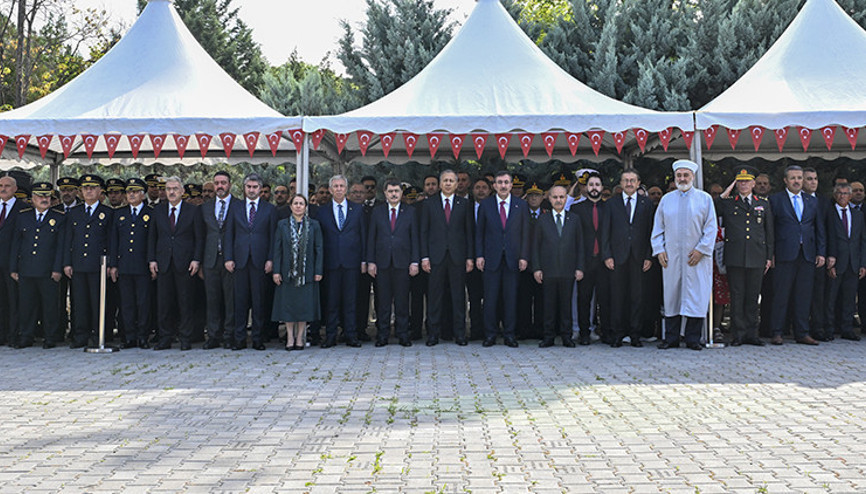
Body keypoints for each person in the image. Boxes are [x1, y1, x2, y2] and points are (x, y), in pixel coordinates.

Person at [652, 160, 717, 351]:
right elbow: (658, 228)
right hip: (672, 258)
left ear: (693, 177)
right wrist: (659, 250)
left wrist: (702, 249)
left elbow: (711, 228)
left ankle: (693, 339)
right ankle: (671, 338)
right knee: (672, 296)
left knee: (696, 296)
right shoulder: (666, 200)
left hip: (696, 258)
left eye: (686, 175)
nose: (682, 178)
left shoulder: (704, 199)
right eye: (679, 175)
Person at [716, 167, 773, 346]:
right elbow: (715, 206)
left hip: (757, 256)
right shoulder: (729, 202)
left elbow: (769, 232)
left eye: (747, 181)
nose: (744, 184)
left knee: (753, 296)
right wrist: (729, 189)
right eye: (740, 181)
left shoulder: (763, 203)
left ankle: (752, 334)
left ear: (753, 183)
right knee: (737, 296)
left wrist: (769, 257)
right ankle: (738, 335)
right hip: (735, 256)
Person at [768, 165, 825, 346]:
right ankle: (777, 332)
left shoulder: (812, 201)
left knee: (804, 295)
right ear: (785, 180)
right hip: (784, 253)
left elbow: (819, 229)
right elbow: (770, 229)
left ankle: (802, 333)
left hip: (807, 254)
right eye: (793, 178)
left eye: (800, 178)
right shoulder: (775, 200)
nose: (797, 181)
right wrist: (771, 253)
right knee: (781, 295)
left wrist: (821, 252)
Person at [148, 176, 203, 351]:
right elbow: (152, 237)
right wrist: (152, 260)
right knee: (164, 303)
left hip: (185, 263)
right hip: (163, 263)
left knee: (185, 302)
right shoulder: (158, 210)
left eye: (175, 189)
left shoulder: (193, 211)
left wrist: (196, 259)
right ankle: (165, 338)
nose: (171, 192)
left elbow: (199, 238)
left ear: (182, 192)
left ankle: (185, 338)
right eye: (168, 188)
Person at [476, 170, 530, 348]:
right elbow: (480, 233)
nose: (503, 186)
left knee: (511, 299)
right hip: (491, 258)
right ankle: (490, 335)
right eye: (500, 182)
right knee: (490, 299)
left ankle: (509, 335)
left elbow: (525, 233)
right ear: (495, 186)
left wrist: (524, 256)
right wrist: (479, 255)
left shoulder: (520, 205)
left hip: (513, 259)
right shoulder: (486, 205)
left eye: (506, 182)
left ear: (511, 185)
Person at [420, 170, 474, 346]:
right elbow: (424, 232)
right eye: (445, 180)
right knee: (435, 297)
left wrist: (470, 257)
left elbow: (469, 233)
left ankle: (460, 334)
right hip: (435, 257)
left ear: (457, 184)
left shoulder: (464, 204)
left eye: (452, 180)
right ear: (440, 183)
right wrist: (424, 257)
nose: (449, 183)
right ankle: (433, 334)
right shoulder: (429, 204)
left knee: (458, 297)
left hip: (458, 256)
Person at [9, 183, 66, 348]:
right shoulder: (23, 216)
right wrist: (13, 268)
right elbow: (16, 244)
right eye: (40, 196)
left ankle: (50, 337)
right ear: (32, 199)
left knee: (49, 306)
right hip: (26, 268)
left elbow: (60, 246)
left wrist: (57, 269)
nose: (44, 199)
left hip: (48, 270)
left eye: (47, 196)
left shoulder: (60, 217)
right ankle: (26, 336)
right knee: (26, 305)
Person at [224, 173, 276, 351]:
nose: (252, 190)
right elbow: (228, 235)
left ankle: (257, 338)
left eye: (255, 187)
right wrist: (228, 257)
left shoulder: (270, 209)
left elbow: (273, 237)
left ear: (260, 189)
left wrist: (271, 259)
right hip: (239, 260)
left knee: (259, 302)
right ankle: (239, 339)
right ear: (244, 188)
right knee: (240, 301)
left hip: (260, 261)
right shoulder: (235, 208)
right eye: (249, 187)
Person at [368, 179, 420, 347]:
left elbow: (415, 238)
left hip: (403, 263)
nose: (394, 194)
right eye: (390, 191)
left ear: (401, 193)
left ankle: (402, 334)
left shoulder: (410, 211)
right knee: (383, 301)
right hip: (382, 263)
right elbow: (371, 238)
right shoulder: (377, 212)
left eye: (396, 191)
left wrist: (414, 261)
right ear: (385, 193)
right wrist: (370, 261)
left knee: (402, 301)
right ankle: (382, 335)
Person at [316, 175, 367, 348]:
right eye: (335, 186)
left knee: (350, 300)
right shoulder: (321, 211)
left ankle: (351, 335)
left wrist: (364, 260)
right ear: (330, 190)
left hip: (352, 262)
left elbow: (363, 236)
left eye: (341, 186)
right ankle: (331, 336)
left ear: (346, 189)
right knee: (331, 301)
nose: (338, 189)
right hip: (330, 263)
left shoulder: (358, 209)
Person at [64, 175, 113, 348]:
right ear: (80, 191)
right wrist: (67, 263)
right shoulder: (74, 212)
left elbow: (111, 240)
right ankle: (80, 335)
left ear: (100, 191)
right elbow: (68, 240)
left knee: (97, 302)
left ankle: (98, 334)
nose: (89, 191)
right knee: (79, 302)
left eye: (93, 188)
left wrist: (111, 264)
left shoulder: (107, 212)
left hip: (98, 265)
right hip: (78, 264)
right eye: (85, 188)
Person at [606, 169, 654, 347]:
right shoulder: (611, 204)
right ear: (620, 183)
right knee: (617, 296)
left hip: (639, 257)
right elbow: (605, 232)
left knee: (637, 296)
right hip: (617, 257)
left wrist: (649, 255)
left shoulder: (646, 204)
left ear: (638, 182)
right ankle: (617, 334)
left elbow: (651, 231)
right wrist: (607, 255)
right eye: (625, 180)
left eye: (632, 180)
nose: (629, 183)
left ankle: (635, 334)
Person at [532, 185, 584, 347]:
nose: (558, 200)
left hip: (568, 269)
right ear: (549, 198)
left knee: (566, 305)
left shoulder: (574, 219)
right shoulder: (542, 219)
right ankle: (548, 336)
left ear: (566, 199)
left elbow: (580, 245)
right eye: (555, 197)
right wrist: (537, 268)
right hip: (548, 269)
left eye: (562, 197)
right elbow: (535, 246)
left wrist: (579, 267)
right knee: (548, 305)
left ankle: (566, 336)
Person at [272, 194, 323, 350]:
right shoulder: (282, 225)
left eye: (301, 203)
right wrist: (276, 271)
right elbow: (277, 249)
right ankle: (289, 337)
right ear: (291, 206)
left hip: (307, 273)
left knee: (303, 306)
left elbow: (319, 249)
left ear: (306, 207)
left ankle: (300, 337)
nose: (298, 206)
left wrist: (318, 270)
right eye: (296, 203)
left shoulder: (314, 225)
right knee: (288, 306)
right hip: (288, 273)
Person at [108, 178, 154, 349]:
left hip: (142, 265)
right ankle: (129, 336)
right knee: (126, 303)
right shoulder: (119, 214)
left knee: (143, 303)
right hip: (125, 265)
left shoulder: (151, 213)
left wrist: (151, 262)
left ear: (143, 194)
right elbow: (114, 241)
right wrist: (113, 265)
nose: (131, 195)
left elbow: (152, 240)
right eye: (129, 192)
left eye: (135, 191)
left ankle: (143, 336)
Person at [201, 171, 242, 349]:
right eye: (217, 183)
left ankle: (229, 335)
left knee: (230, 300)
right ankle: (213, 336)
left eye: (223, 183)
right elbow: (201, 236)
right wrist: (200, 261)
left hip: (231, 260)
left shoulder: (239, 205)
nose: (220, 186)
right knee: (212, 300)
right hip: (210, 259)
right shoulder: (205, 207)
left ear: (230, 185)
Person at [570, 172, 612, 345]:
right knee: (583, 299)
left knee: (605, 299)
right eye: (591, 185)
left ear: (602, 188)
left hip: (604, 261)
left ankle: (607, 333)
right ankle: (584, 333)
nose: (594, 188)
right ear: (586, 188)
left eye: (597, 185)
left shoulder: (609, 208)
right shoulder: (576, 209)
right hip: (585, 261)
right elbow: (574, 239)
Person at [825, 183, 866, 341]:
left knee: (849, 298)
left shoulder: (858, 215)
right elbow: (827, 237)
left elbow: (862, 240)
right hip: (835, 262)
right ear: (835, 195)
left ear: (850, 196)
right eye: (839, 193)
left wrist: (863, 263)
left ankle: (847, 329)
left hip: (853, 263)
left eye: (845, 193)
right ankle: (828, 329)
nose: (842, 196)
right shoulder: (829, 213)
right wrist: (830, 258)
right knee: (831, 298)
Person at [519, 181, 545, 340]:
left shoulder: (547, 213)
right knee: (523, 299)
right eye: (531, 195)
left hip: (542, 263)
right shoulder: (520, 212)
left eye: (537, 195)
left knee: (542, 299)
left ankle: (540, 329)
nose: (534, 198)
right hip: (524, 262)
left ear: (543, 197)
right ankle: (523, 329)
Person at [0, 176, 25, 346]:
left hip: (11, 263)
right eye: (1, 185)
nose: (3, 189)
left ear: (15, 189)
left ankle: (13, 335)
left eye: (7, 186)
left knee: (13, 301)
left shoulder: (23, 209)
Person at [467, 178, 490, 341]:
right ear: (472, 190)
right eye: (477, 187)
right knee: (474, 298)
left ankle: (490, 329)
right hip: (469, 260)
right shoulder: (465, 208)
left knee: (491, 296)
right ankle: (475, 330)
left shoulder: (494, 208)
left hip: (490, 260)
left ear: (490, 190)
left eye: (484, 187)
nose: (481, 190)